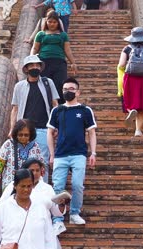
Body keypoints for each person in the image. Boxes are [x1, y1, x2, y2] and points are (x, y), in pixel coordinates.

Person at [0, 158, 67, 249]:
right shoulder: (4, 208)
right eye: (23, 186)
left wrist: (62, 204)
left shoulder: (45, 197)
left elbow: (48, 241)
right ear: (15, 186)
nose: (26, 190)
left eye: (29, 186)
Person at [47, 77, 97, 229]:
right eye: (65, 89)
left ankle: (75, 213)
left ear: (78, 92)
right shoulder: (57, 110)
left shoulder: (85, 110)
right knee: (57, 188)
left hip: (79, 154)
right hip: (61, 155)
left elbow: (92, 133)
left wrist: (93, 153)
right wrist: (52, 154)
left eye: (71, 89)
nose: (67, 92)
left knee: (77, 185)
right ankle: (57, 219)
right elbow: (50, 132)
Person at [10, 55, 60, 183]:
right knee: (23, 162)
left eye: (37, 65)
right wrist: (12, 129)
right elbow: (15, 109)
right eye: (32, 65)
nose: (35, 67)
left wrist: (57, 126)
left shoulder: (48, 83)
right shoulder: (19, 86)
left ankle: (43, 190)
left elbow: (55, 105)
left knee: (42, 163)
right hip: (24, 132)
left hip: (44, 129)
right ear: (26, 69)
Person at [0, 119, 44, 191]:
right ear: (16, 134)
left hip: (30, 189)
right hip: (10, 187)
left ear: (31, 135)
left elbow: (41, 169)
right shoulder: (8, 145)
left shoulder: (35, 147)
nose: (23, 137)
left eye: (26, 135)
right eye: (20, 135)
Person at [31, 10, 77, 104]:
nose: (52, 24)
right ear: (46, 22)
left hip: (59, 62)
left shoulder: (63, 35)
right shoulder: (41, 34)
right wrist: (31, 60)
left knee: (60, 84)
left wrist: (73, 62)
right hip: (44, 62)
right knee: (44, 83)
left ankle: (60, 105)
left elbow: (67, 50)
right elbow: (35, 48)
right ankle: (44, 104)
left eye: (54, 22)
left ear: (58, 23)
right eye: (50, 22)